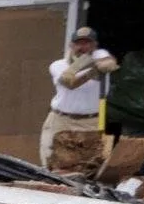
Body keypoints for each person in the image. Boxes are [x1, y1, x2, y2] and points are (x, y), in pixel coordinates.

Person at [41, 26, 118, 170]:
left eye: (87, 43)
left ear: (94, 45)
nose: (82, 47)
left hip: (91, 121)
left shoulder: (100, 54)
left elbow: (109, 62)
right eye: (78, 43)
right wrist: (90, 69)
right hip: (61, 121)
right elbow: (69, 82)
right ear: (71, 45)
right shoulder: (58, 65)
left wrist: (96, 64)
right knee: (53, 163)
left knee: (89, 165)